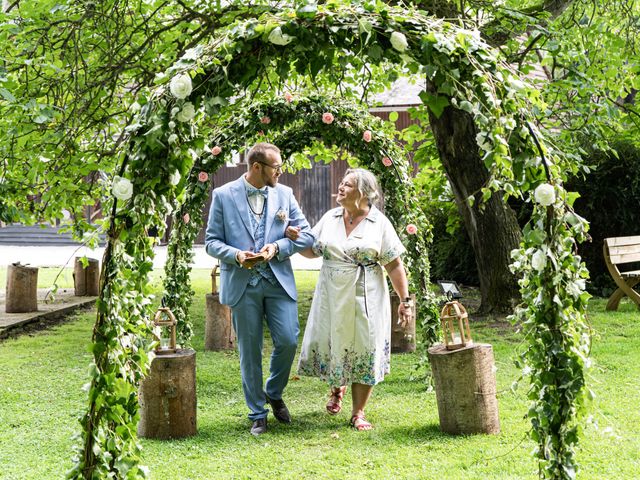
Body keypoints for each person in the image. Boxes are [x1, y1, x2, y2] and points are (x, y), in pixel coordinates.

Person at [205, 142, 314, 436]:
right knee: (249, 352)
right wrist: (237, 255)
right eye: (275, 167)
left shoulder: (285, 194)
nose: (280, 172)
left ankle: (273, 391)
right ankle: (257, 412)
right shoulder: (223, 195)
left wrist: (279, 245)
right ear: (256, 167)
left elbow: (308, 237)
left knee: (289, 340)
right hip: (242, 283)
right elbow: (211, 242)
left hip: (277, 280)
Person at [292, 168, 413, 431]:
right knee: (334, 339)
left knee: (365, 345)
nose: (341, 188)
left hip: (365, 294)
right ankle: (337, 388)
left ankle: (358, 412)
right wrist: (294, 239)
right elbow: (314, 251)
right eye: (342, 184)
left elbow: (394, 264)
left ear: (363, 193)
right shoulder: (331, 217)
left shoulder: (378, 223)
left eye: (347, 185)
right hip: (331, 293)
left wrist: (405, 300)